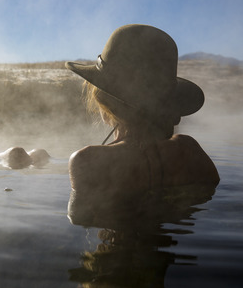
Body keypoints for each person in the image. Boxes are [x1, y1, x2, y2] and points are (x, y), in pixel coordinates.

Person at [65, 24, 219, 225]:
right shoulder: (192, 152)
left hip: (117, 253)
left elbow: (80, 220)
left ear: (107, 102)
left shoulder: (87, 161)